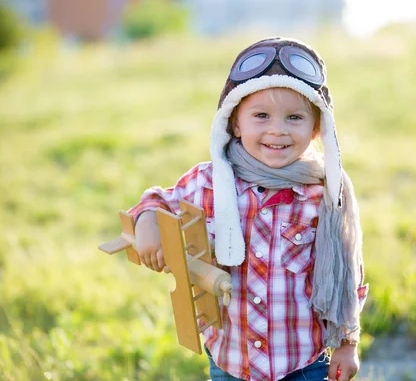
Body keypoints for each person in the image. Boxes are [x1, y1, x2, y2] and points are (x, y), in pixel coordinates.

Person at [129, 36, 368, 381]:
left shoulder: (324, 195)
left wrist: (347, 343)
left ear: (317, 127)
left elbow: (349, 275)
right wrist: (148, 220)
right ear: (235, 123)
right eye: (261, 115)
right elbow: (159, 199)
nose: (277, 130)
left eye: (294, 117)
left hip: (303, 361)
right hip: (232, 359)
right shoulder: (210, 181)